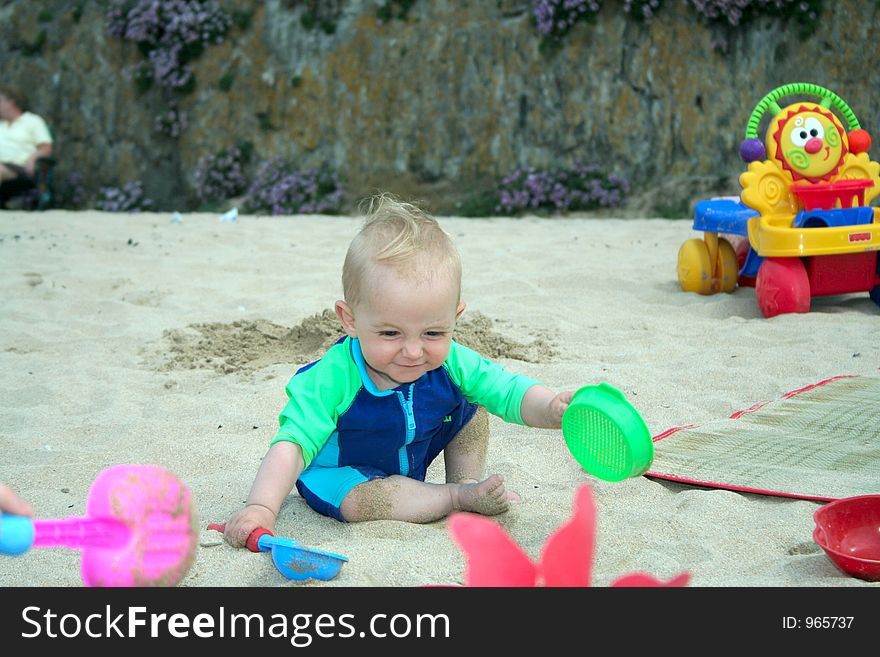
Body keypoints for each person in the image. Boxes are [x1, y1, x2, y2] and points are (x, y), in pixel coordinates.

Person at [223, 194, 575, 546]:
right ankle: (455, 497)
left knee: (472, 409)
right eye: (390, 333)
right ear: (351, 320)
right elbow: (292, 446)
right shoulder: (332, 378)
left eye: (433, 333)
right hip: (344, 475)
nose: (413, 351)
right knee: (363, 502)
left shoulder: (452, 360)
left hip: (410, 459)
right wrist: (260, 508)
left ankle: (466, 482)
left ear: (455, 317)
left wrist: (550, 408)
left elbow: (509, 391)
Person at [0, 86, 53, 185]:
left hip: (19, 168)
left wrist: (33, 159)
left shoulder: (32, 121)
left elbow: (46, 147)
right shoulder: (1, 125)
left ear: (11, 102)